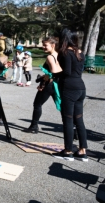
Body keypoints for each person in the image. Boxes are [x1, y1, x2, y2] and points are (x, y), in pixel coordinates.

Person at [52, 29, 88, 161]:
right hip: (80, 88)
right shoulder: (80, 53)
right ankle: (82, 150)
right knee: (79, 119)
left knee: (67, 120)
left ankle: (68, 151)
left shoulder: (65, 53)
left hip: (69, 88)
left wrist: (53, 75)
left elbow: (66, 72)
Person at [25, 36, 61, 134]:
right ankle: (73, 128)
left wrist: (43, 82)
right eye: (43, 45)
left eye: (45, 45)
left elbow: (52, 73)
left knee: (37, 104)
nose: (43, 47)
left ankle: (34, 126)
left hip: (49, 84)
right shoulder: (60, 55)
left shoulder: (50, 57)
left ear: (53, 45)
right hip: (57, 84)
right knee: (63, 106)